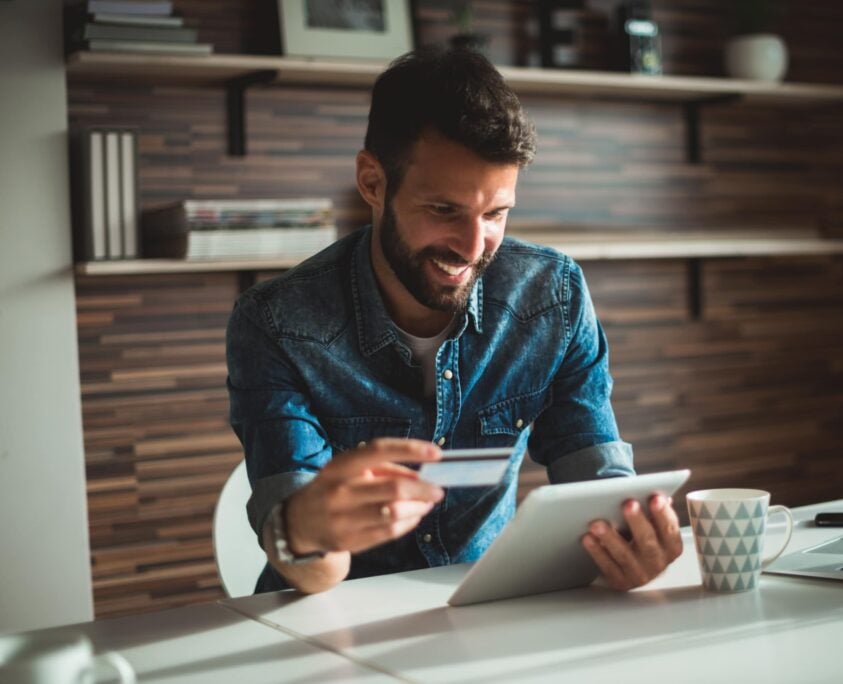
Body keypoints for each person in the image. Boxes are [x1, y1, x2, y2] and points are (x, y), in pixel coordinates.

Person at [226, 47, 683, 595]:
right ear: (373, 183)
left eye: (495, 214)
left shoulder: (551, 297)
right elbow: (312, 569)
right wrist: (305, 528)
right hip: (326, 622)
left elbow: (595, 474)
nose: (472, 247)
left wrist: (631, 540)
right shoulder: (277, 323)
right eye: (443, 210)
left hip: (488, 612)